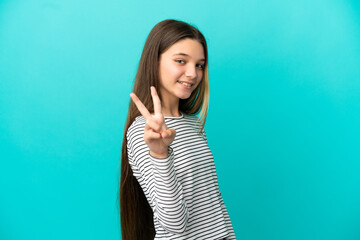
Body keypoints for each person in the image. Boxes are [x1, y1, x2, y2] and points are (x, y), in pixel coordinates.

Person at [119, 19, 236, 240]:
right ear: (154, 62)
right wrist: (160, 154)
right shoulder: (143, 133)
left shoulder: (192, 124)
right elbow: (175, 224)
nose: (192, 73)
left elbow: (213, 206)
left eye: (199, 65)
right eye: (181, 61)